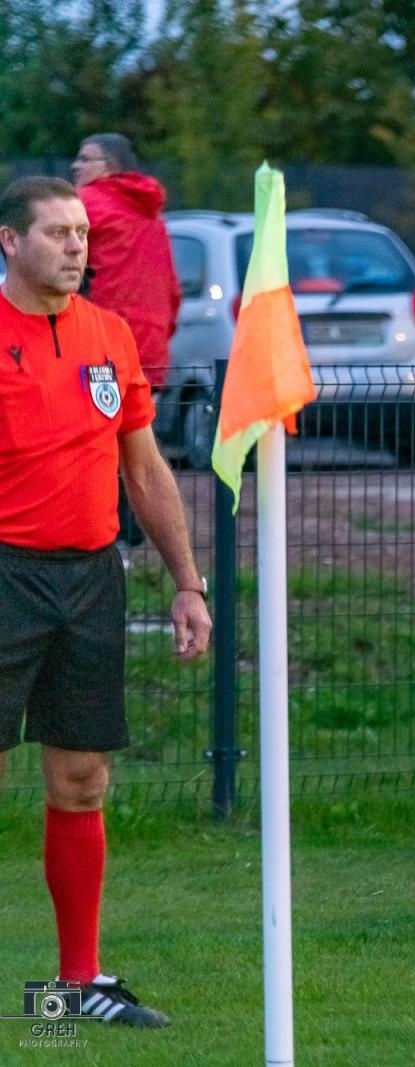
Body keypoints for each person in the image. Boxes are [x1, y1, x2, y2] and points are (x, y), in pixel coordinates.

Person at [0, 176, 212, 1027]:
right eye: (57, 232)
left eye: (82, 233)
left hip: (90, 579)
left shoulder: (109, 334)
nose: (76, 247)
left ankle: (76, 986)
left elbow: (145, 467)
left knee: (83, 780)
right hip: (4, 575)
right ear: (9, 241)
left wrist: (187, 581)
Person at [71, 134, 182, 551]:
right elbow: (171, 289)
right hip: (148, 344)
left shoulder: (88, 204)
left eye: (86, 159)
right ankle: (131, 537)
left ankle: (103, 535)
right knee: (137, 446)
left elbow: (35, 245)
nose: (76, 166)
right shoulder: (152, 216)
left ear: (111, 167)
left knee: (87, 441)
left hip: (99, 341)